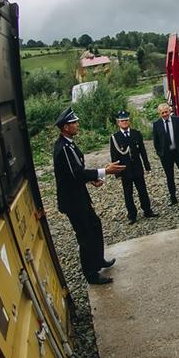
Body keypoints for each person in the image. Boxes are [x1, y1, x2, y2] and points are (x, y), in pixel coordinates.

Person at [52, 108, 124, 285]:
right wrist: (104, 171)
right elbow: (75, 174)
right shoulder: (63, 149)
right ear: (65, 127)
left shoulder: (70, 144)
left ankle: (98, 259)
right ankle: (91, 274)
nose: (77, 125)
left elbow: (76, 173)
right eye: (73, 123)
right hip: (73, 201)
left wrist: (92, 179)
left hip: (80, 196)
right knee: (85, 236)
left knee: (95, 225)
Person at [110, 110, 159, 225]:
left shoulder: (136, 133)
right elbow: (114, 155)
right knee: (128, 193)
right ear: (118, 123)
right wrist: (117, 172)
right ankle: (132, 215)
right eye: (122, 121)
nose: (125, 122)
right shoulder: (115, 137)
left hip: (137, 167)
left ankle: (147, 211)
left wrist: (147, 166)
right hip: (125, 170)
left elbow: (142, 151)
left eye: (126, 120)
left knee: (142, 190)